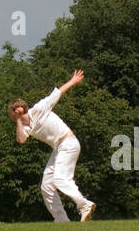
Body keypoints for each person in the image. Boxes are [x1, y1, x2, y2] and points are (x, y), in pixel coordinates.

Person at [8, 69, 96, 222]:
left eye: (12, 112)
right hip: (59, 148)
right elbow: (21, 140)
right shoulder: (25, 127)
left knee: (60, 178)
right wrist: (18, 121)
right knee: (47, 185)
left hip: (68, 143)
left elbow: (57, 93)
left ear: (17, 110)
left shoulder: (39, 108)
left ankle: (84, 205)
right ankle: (62, 220)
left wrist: (72, 81)